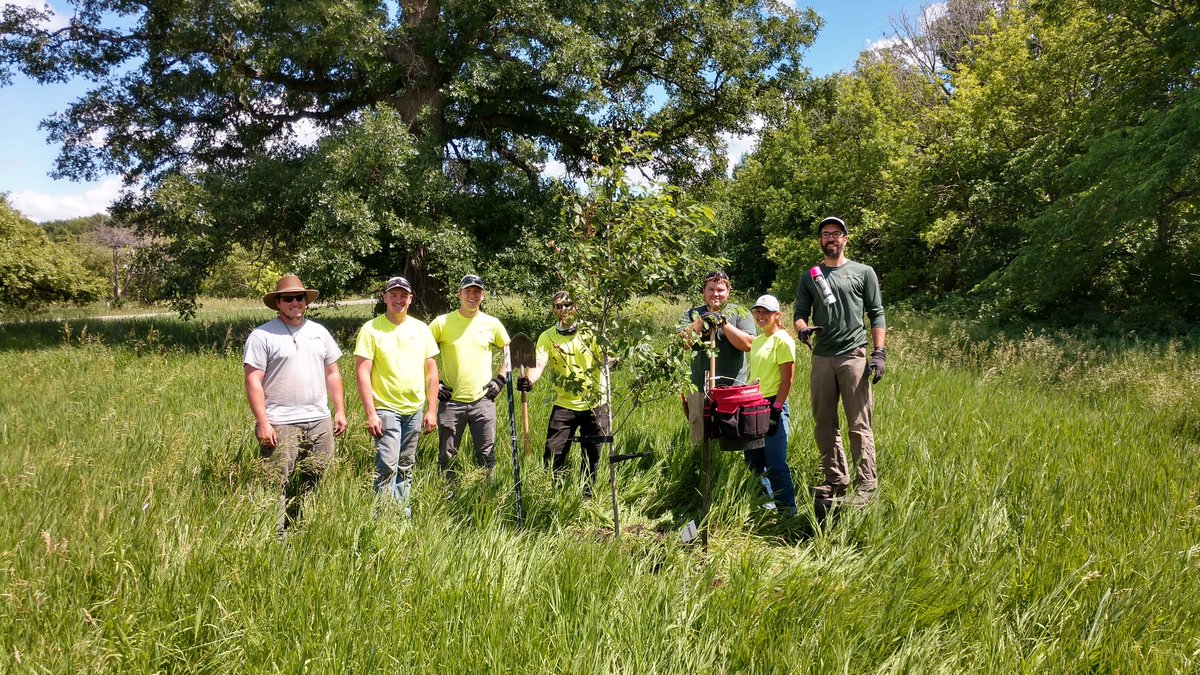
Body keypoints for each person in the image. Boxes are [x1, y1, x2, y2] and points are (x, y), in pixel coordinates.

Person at [243, 274, 347, 538]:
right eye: (288, 298)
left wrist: (339, 410)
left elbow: (333, 372)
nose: (295, 302)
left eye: (299, 298)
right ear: (278, 303)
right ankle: (274, 537)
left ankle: (303, 530)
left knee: (315, 477)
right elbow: (253, 380)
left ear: (306, 301)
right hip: (281, 422)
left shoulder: (319, 332)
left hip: (319, 419)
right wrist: (263, 422)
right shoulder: (262, 335)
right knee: (275, 482)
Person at [793, 216, 887, 507]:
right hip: (822, 357)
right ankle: (835, 479)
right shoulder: (810, 276)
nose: (830, 238)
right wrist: (802, 330)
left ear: (846, 238)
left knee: (859, 423)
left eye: (836, 233)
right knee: (823, 422)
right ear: (820, 241)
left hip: (853, 355)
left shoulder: (863, 272)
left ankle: (867, 485)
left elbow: (877, 313)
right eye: (825, 234)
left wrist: (879, 353)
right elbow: (799, 312)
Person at [354, 275, 440, 515]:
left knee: (406, 465)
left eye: (403, 295)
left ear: (410, 299)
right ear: (385, 298)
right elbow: (362, 373)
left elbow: (432, 372)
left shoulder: (420, 329)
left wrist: (432, 410)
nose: (398, 300)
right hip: (386, 408)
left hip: (414, 409)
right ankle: (381, 518)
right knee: (387, 465)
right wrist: (371, 413)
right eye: (393, 295)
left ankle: (402, 516)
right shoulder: (371, 329)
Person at [517, 292, 608, 496]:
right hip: (565, 403)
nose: (563, 310)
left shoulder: (590, 332)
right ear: (553, 310)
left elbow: (605, 357)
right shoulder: (547, 336)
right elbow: (539, 363)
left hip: (595, 402)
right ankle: (554, 494)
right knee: (553, 451)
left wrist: (609, 360)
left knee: (592, 453)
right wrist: (529, 380)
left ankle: (587, 496)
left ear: (576, 307)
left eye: (568, 305)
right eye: (558, 306)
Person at [428, 274, 511, 481]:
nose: (472, 296)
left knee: (486, 454)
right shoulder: (441, 323)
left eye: (477, 292)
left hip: (483, 400)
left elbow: (508, 351)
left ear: (483, 296)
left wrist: (500, 380)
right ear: (459, 294)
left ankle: (487, 495)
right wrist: (433, 384)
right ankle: (447, 496)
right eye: (468, 291)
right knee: (447, 456)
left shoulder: (492, 324)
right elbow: (422, 352)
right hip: (451, 401)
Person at [746, 294, 797, 512]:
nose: (761, 316)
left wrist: (776, 410)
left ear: (777, 315)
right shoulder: (757, 341)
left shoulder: (783, 339)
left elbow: (788, 379)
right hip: (753, 405)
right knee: (753, 461)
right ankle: (765, 507)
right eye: (758, 311)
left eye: (766, 312)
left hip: (772, 405)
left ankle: (787, 512)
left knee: (775, 463)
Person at [679, 271, 755, 392]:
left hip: (734, 387)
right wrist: (702, 320)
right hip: (699, 387)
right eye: (711, 289)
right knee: (698, 411)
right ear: (704, 291)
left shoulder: (741, 313)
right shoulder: (691, 314)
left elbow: (748, 345)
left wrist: (724, 323)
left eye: (720, 290)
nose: (715, 294)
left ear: (728, 292)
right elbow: (682, 344)